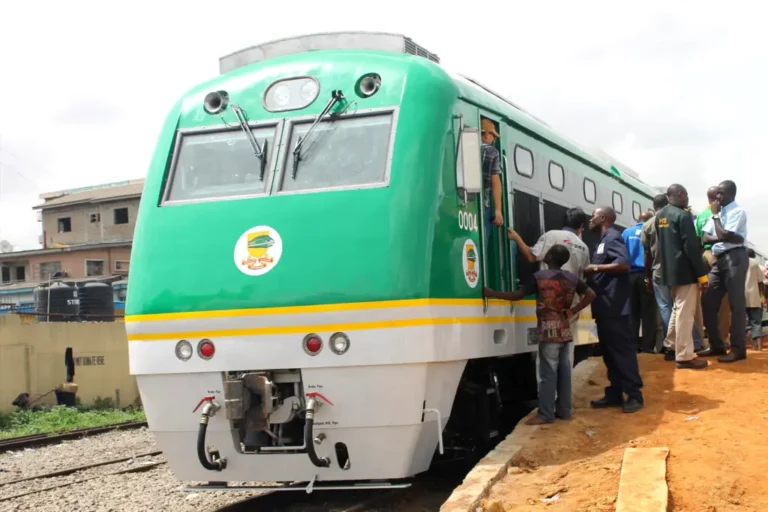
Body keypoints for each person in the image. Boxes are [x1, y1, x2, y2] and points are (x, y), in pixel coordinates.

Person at [484, 245, 596, 425]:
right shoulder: (571, 278)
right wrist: (573, 310)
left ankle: (545, 414)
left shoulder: (539, 278)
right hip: (565, 329)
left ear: (550, 257)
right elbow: (591, 294)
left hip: (548, 331)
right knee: (564, 372)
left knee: (547, 374)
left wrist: (492, 293)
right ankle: (565, 411)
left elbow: (517, 295)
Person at [507, 207, 591, 365]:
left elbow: (531, 257)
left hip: (550, 300)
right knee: (567, 348)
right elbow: (583, 275)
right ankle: (565, 387)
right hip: (570, 301)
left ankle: (548, 388)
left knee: (548, 352)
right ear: (581, 226)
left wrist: (516, 237)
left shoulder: (551, 236)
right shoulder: (583, 247)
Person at [584, 207, 644, 413]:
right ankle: (615, 394)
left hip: (615, 307)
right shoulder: (602, 240)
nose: (590, 218)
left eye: (593, 215)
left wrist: (595, 268)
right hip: (605, 306)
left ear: (602, 218)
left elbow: (624, 264)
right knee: (609, 353)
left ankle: (634, 395)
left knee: (621, 351)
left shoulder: (612, 237)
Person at [655, 184, 709, 369]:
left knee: (677, 310)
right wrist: (702, 274)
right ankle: (684, 356)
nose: (687, 198)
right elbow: (691, 248)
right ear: (678, 194)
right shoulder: (684, 216)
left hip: (669, 271)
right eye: (686, 194)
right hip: (685, 271)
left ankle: (670, 346)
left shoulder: (660, 216)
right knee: (685, 313)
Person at [699, 180, 749, 362]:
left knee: (736, 304)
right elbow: (706, 237)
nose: (717, 197)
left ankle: (738, 349)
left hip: (735, 258)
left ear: (730, 194)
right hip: (719, 260)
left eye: (720, 193)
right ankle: (717, 345)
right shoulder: (719, 213)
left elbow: (723, 235)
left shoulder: (737, 211)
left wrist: (721, 228)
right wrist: (728, 236)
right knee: (707, 301)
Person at [698, 186, 731, 346]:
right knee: (724, 299)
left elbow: (699, 239)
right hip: (719, 254)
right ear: (717, 198)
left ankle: (706, 339)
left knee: (705, 298)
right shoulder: (722, 213)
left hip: (704, 256)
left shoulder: (699, 216)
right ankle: (723, 338)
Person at [623, 211, 657, 354]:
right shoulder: (652, 231)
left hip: (630, 276)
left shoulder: (626, 232)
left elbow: (622, 254)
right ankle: (648, 347)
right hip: (646, 275)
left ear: (638, 219)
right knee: (648, 313)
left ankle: (632, 346)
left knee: (632, 313)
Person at [481, 118, 504, 244]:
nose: (493, 139)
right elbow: (496, 181)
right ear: (486, 134)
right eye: (492, 136)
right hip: (483, 203)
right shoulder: (491, 152)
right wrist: (498, 210)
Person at [745, 248, 765, 350]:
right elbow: (761, 281)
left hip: (741, 297)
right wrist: (762, 296)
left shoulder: (739, 263)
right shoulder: (754, 263)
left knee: (747, 323)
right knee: (756, 322)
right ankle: (759, 346)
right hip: (754, 296)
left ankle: (752, 346)